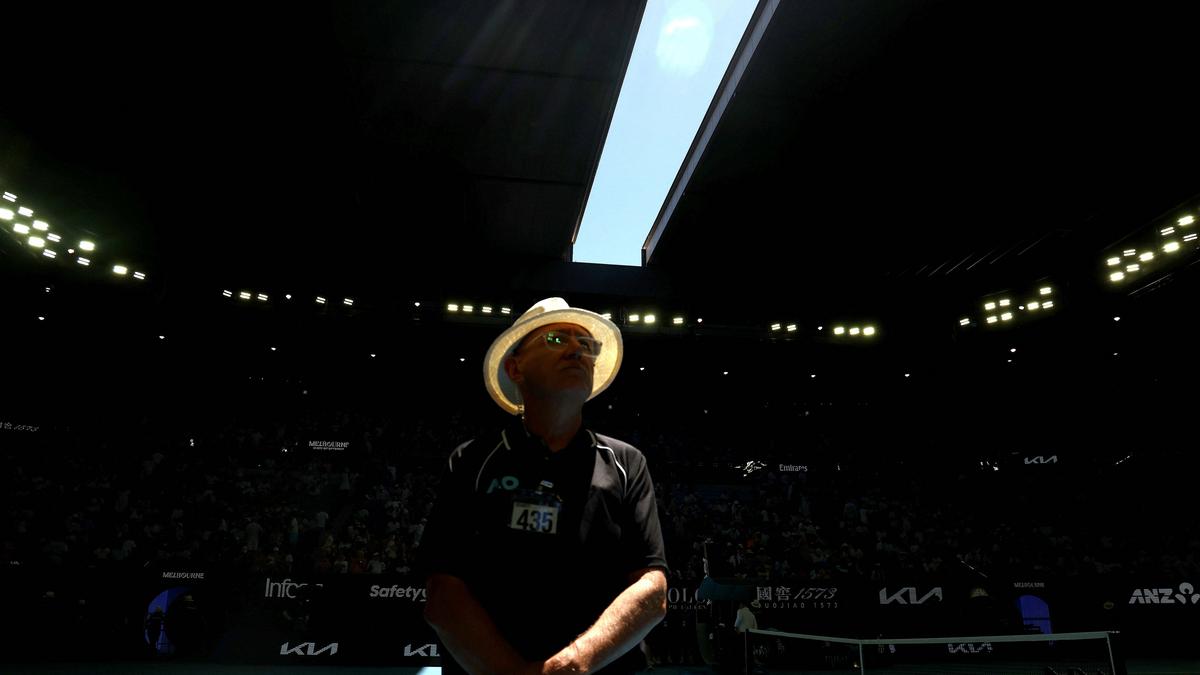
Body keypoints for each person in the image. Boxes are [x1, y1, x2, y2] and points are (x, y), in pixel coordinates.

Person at [419, 297, 669, 674]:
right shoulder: (471, 460)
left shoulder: (627, 462)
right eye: (556, 339)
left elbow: (652, 588)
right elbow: (443, 595)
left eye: (586, 344)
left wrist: (573, 664)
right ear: (515, 367)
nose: (576, 350)